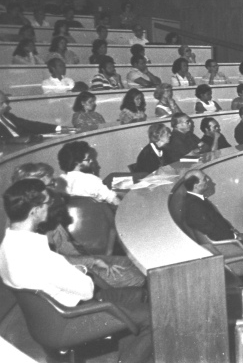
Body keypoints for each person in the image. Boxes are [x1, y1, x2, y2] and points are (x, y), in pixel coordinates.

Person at [0, 179, 154, 363]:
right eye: (47, 203)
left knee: (140, 295)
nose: (51, 206)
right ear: (34, 211)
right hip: (68, 318)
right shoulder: (39, 256)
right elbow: (87, 291)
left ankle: (128, 350)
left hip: (46, 320)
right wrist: (81, 269)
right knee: (155, 317)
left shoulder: (7, 246)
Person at [12, 163, 145, 289]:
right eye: (48, 186)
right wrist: (93, 264)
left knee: (140, 264)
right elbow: (60, 265)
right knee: (140, 277)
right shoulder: (31, 228)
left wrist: (94, 260)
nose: (54, 189)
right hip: (76, 272)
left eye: (52, 184)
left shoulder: (44, 213)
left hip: (83, 260)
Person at [182, 170, 243, 283]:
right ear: (196, 185)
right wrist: (234, 237)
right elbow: (212, 232)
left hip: (227, 235)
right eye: (204, 179)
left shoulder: (195, 199)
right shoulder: (194, 207)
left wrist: (234, 232)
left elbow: (217, 223)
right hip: (225, 243)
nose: (208, 180)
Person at [57, 141, 120, 206]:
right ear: (77, 162)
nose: (91, 161)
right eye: (88, 159)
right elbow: (114, 200)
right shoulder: (91, 179)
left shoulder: (60, 182)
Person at [0, 90, 76, 144]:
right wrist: (15, 140)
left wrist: (59, 128)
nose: (6, 105)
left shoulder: (8, 116)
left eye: (6, 102)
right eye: (1, 103)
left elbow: (31, 125)